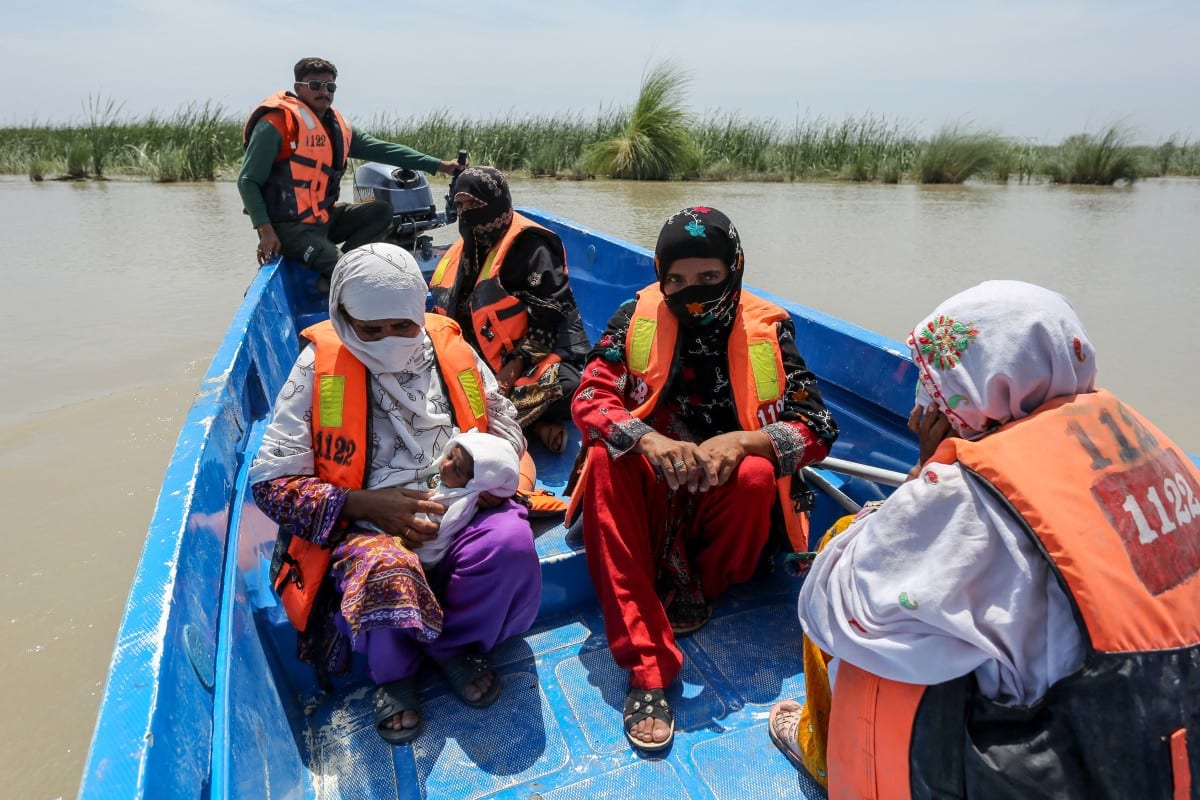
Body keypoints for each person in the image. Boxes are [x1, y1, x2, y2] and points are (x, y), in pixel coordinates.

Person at [772, 280, 1200, 798]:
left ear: (987, 388)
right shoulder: (1139, 440)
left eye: (933, 390)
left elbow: (829, 607)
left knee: (855, 579)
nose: (914, 415)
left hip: (1068, 761)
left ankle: (825, 751)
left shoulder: (971, 493)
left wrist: (920, 476)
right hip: (1167, 738)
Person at [568, 206, 840, 752]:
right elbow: (591, 395)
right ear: (660, 276)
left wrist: (742, 443)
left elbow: (818, 424)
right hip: (653, 474)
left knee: (758, 475)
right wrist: (649, 440)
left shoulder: (770, 327)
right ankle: (647, 666)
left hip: (722, 489)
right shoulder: (633, 316)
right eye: (678, 281)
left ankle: (699, 588)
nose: (693, 293)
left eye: (709, 279)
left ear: (734, 268)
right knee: (603, 459)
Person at [249, 242, 541, 746]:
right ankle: (396, 673)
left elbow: (504, 424)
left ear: (418, 313)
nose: (389, 339)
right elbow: (271, 484)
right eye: (371, 330)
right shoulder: (316, 369)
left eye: (402, 326)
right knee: (386, 568)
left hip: (459, 504)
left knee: (511, 541)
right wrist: (365, 505)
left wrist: (487, 479)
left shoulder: (452, 350)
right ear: (343, 315)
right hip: (364, 522)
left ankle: (454, 648)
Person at [238, 56, 462, 286]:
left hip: (322, 220)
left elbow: (385, 150)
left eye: (330, 87)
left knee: (381, 212)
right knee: (351, 274)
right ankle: (339, 271)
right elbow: (247, 181)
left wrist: (439, 165)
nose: (324, 92)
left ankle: (339, 267)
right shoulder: (276, 123)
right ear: (298, 88)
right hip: (289, 228)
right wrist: (265, 231)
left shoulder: (337, 127)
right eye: (315, 85)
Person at [429, 166, 590, 454]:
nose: (466, 213)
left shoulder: (529, 246)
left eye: (474, 204)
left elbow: (550, 319)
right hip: (479, 362)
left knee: (570, 387)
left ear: (498, 203)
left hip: (533, 359)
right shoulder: (463, 251)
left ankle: (492, 420)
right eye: (460, 205)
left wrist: (507, 375)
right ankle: (531, 426)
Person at [413, 429, 522, 569]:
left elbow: (434, 532)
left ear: (473, 483)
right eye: (450, 456)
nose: (446, 466)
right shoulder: (449, 480)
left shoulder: (459, 504)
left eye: (457, 471)